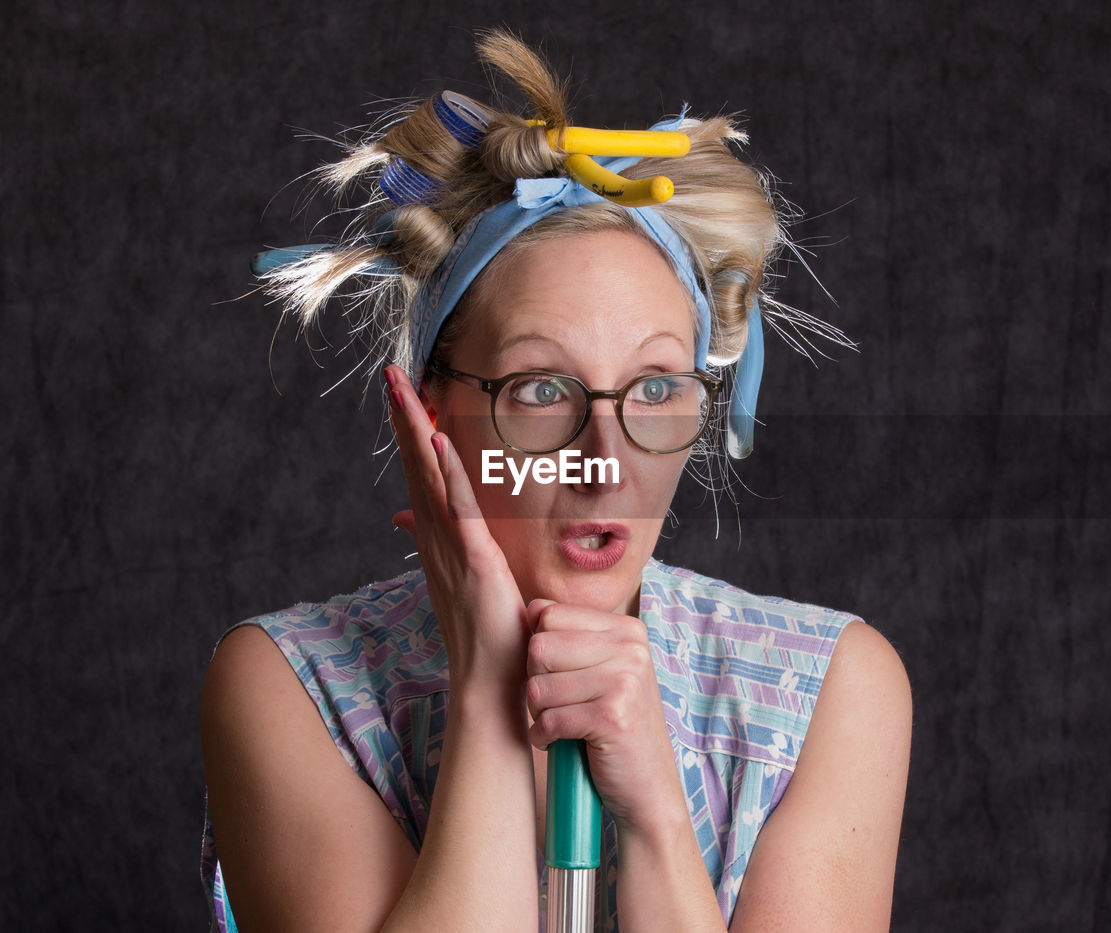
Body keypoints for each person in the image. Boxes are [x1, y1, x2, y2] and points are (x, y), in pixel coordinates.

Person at [201, 30, 912, 933]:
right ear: (429, 417)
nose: (605, 460)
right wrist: (487, 690)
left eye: (656, 388)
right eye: (542, 390)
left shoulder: (829, 694)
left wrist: (655, 809)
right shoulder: (289, 688)